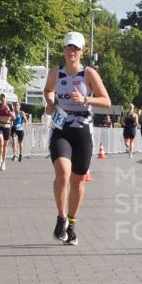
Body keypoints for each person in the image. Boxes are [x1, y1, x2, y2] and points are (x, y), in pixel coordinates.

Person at [44, 31, 111, 245]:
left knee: (78, 181)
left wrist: (85, 99)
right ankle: (61, 218)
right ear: (63, 50)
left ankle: (72, 224)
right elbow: (48, 90)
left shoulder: (89, 74)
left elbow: (106, 101)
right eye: (68, 47)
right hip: (61, 128)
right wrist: (51, 102)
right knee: (62, 173)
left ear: (82, 52)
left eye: (76, 48)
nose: (72, 51)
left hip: (82, 130)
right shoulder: (56, 72)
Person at [0, 93, 13, 171]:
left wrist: (9, 111)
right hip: (0, 126)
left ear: (6, 98)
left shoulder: (10, 106)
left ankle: (4, 162)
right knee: (1, 142)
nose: (2, 99)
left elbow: (14, 117)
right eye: (1, 97)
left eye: (4, 97)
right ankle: (0, 159)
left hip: (7, 128)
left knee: (5, 146)